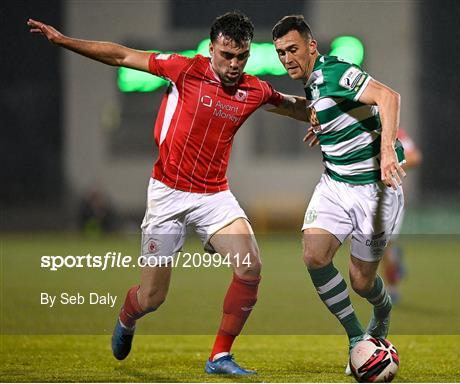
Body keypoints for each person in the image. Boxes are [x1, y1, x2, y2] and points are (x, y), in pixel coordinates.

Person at [28, 12, 309, 375]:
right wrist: (64, 41)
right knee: (152, 298)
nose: (234, 64)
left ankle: (219, 356)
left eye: (241, 56)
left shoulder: (254, 90)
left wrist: (340, 110)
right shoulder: (184, 70)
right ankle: (128, 315)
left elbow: (295, 108)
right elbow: (121, 56)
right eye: (226, 55)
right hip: (168, 195)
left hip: (214, 196)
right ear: (211, 49)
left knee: (250, 265)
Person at [272, 15, 406, 374]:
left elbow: (388, 97)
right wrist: (326, 127)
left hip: (375, 193)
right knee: (314, 256)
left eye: (293, 49)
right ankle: (355, 339)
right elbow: (332, 108)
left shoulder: (334, 72)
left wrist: (388, 151)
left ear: (311, 47)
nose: (287, 58)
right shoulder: (311, 84)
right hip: (334, 185)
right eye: (281, 52)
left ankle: (383, 308)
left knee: (361, 281)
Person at [381, 128, 421, 303]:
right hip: (363, 198)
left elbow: (414, 157)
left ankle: (392, 288)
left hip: (389, 199)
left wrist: (389, 166)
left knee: (381, 245)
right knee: (372, 247)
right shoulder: (357, 127)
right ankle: (394, 259)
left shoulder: (394, 132)